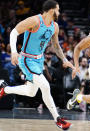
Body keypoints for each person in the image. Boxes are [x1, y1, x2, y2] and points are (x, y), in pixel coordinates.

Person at [0, 0, 74, 130]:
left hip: (39, 61)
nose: (59, 12)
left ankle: (4, 89)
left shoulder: (54, 26)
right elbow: (14, 32)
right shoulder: (35, 21)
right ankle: (58, 119)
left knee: (31, 91)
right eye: (58, 9)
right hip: (27, 59)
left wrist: (64, 59)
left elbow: (56, 46)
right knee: (45, 86)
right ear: (51, 10)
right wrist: (13, 52)